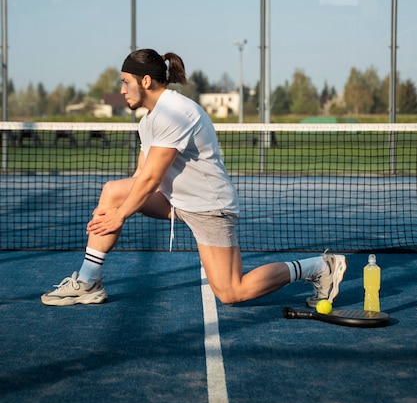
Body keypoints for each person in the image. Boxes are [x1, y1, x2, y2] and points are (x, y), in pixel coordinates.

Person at [41, 48, 347, 307]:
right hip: (178, 201)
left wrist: (120, 217)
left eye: (125, 82)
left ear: (145, 81)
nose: (121, 90)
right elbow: (140, 177)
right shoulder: (148, 120)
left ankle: (320, 267)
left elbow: (151, 179)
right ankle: (88, 282)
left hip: (209, 207)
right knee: (112, 191)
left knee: (231, 292)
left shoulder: (175, 112)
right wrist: (116, 210)